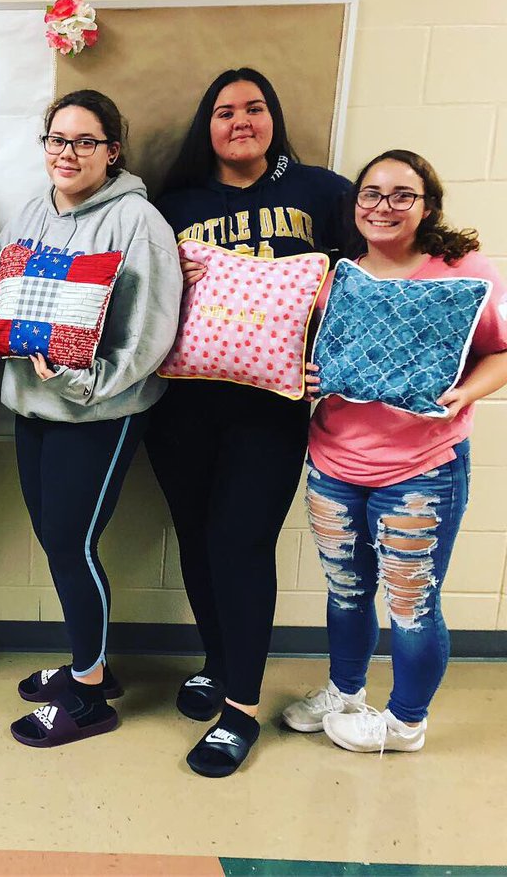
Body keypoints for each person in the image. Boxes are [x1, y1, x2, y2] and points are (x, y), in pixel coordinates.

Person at [145, 67, 351, 777]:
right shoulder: (172, 204)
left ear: (274, 118)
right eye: (225, 110)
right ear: (207, 124)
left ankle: (240, 709)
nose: (241, 120)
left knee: (240, 542)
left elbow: (368, 281)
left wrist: (339, 364)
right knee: (200, 541)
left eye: (255, 108)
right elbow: (134, 293)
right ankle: (218, 660)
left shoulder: (321, 192)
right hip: (181, 408)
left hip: (271, 409)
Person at [282, 150, 507, 753]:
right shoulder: (336, 275)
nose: (383, 206)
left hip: (421, 470)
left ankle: (407, 722)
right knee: (346, 590)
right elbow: (309, 352)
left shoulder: (463, 272)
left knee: (411, 603)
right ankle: (346, 692)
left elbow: (501, 352)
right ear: (354, 205)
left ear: (427, 204)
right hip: (334, 461)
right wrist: (303, 376)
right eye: (371, 194)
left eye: (401, 195)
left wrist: (460, 395)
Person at [1, 89, 182, 748]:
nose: (67, 153)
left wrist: (89, 382)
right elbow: (14, 299)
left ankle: (88, 694)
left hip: (99, 412)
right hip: (31, 404)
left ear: (113, 150)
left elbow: (151, 329)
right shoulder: (28, 210)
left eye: (84, 142)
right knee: (55, 540)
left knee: (72, 544)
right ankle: (91, 666)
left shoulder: (139, 221)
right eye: (57, 139)